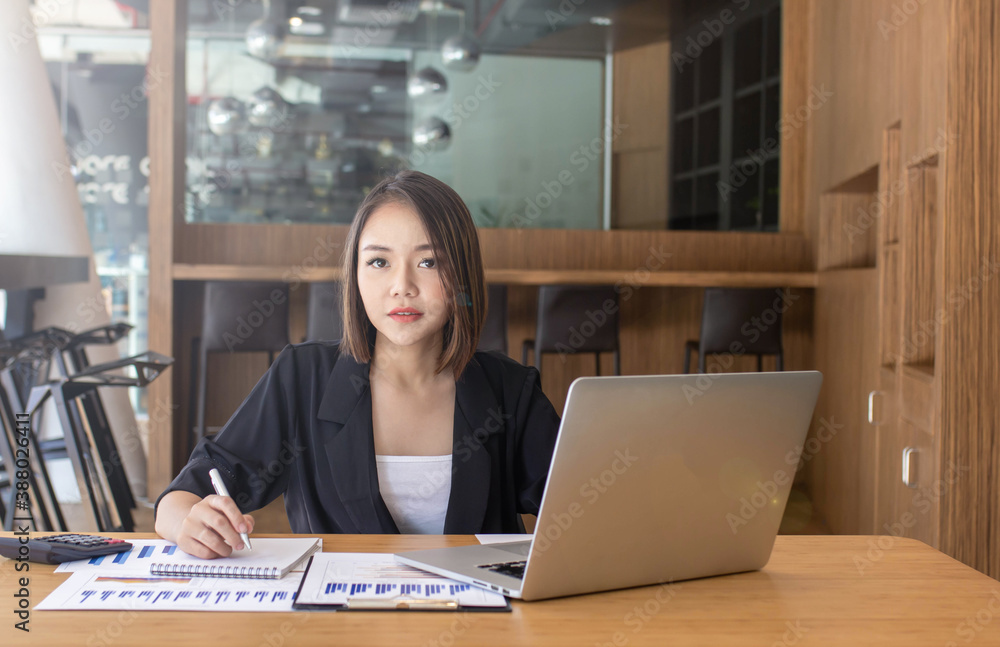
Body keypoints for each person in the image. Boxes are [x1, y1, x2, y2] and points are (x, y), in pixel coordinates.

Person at [155, 170, 561, 559]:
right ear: (355, 274)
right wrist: (188, 523)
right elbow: (185, 494)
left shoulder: (510, 389)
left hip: (478, 624)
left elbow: (584, 506)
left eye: (429, 262)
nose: (402, 286)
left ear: (463, 278)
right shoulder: (303, 377)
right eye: (379, 262)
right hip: (340, 620)